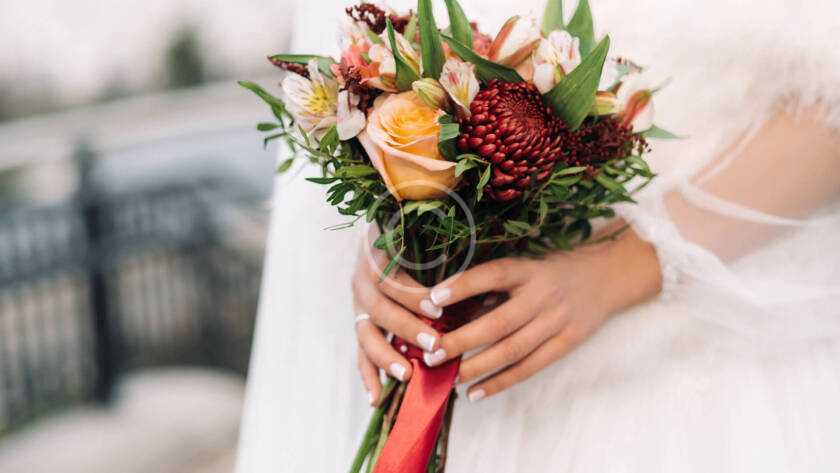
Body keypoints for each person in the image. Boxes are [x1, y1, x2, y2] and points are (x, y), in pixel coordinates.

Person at [236, 1, 840, 471]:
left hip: (689, 370)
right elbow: (351, 76)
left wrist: (625, 265)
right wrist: (394, 231)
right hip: (458, 378)